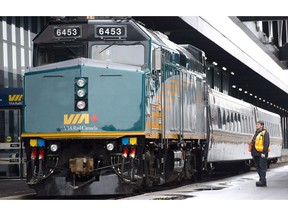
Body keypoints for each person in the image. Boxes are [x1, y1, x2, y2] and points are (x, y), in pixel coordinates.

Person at [249, 120, 270, 187]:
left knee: (262, 167)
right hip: (255, 153)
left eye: (258, 124)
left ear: (262, 125)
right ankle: (262, 180)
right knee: (258, 167)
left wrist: (264, 152)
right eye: (256, 125)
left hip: (261, 154)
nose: (256, 126)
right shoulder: (256, 133)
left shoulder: (265, 133)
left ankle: (263, 181)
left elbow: (266, 143)